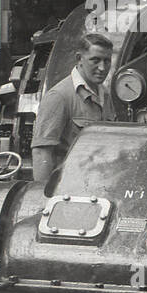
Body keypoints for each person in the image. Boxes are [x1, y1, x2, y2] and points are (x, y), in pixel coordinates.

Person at [31, 33, 116, 182]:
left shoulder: (106, 95)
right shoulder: (59, 96)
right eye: (95, 60)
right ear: (79, 59)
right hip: (68, 188)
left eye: (107, 61)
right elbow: (41, 153)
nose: (102, 68)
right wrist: (42, 197)